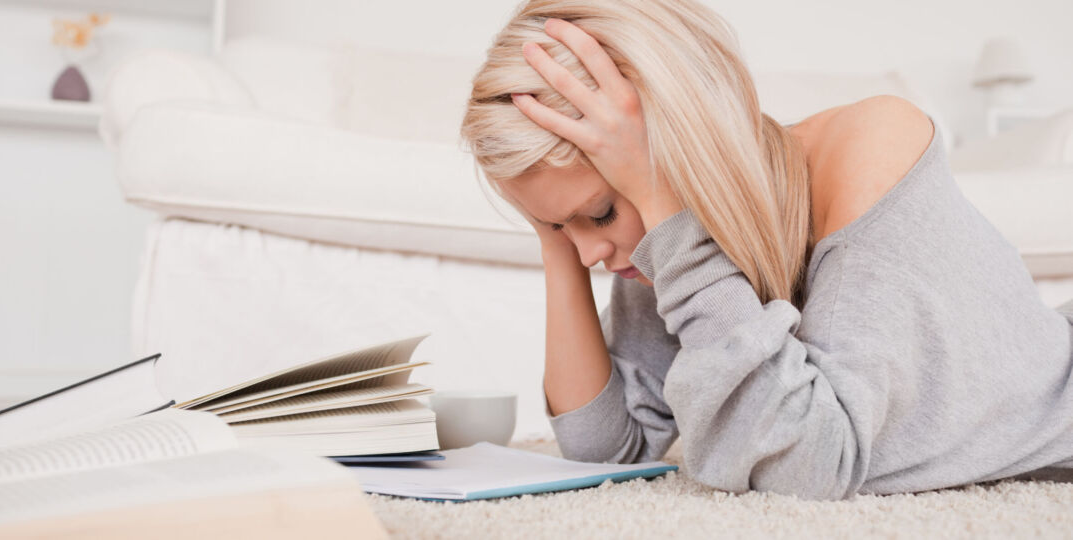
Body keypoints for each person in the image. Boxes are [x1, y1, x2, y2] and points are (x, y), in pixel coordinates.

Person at [459, 0, 1073, 500]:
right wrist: (556, 237)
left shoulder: (873, 145)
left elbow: (811, 464)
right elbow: (607, 450)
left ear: (680, 149)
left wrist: (658, 206)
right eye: (567, 228)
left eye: (599, 213)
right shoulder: (666, 237)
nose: (593, 251)